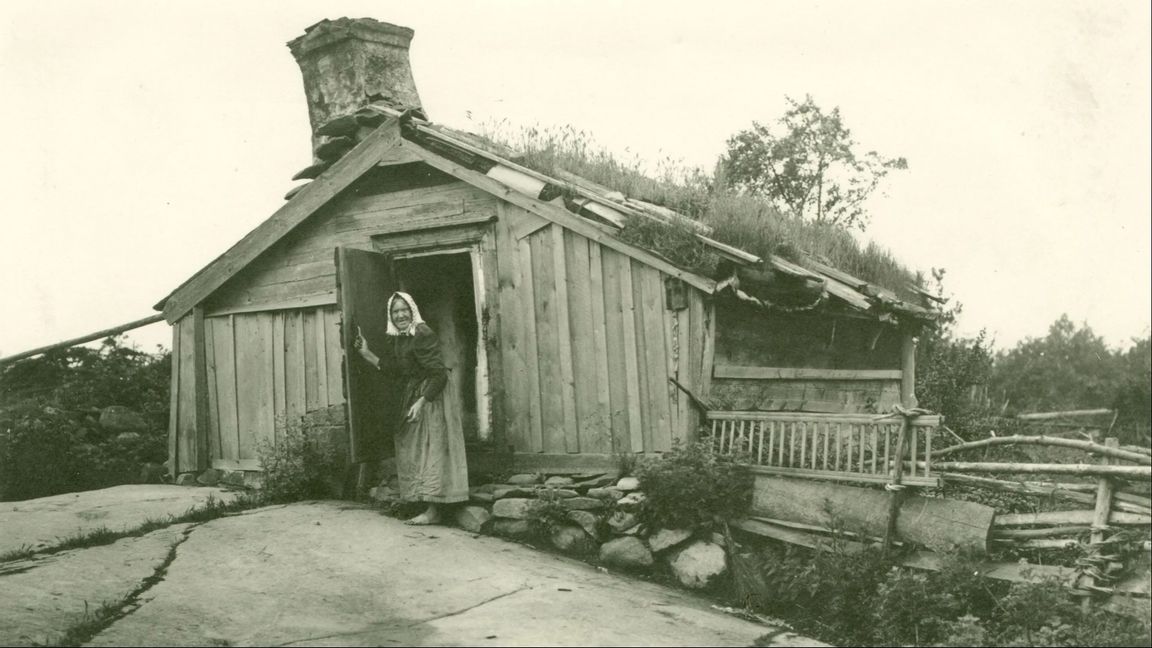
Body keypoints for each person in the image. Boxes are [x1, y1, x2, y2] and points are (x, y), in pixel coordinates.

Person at [353, 291, 469, 525]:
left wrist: (422, 401)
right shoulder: (400, 337)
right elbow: (398, 370)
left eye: (404, 309)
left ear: (412, 310)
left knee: (432, 447)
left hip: (432, 395)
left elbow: (439, 374)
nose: (400, 315)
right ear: (391, 316)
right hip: (416, 391)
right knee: (411, 443)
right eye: (395, 311)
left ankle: (434, 510)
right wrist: (366, 353)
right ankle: (423, 502)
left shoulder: (422, 333)